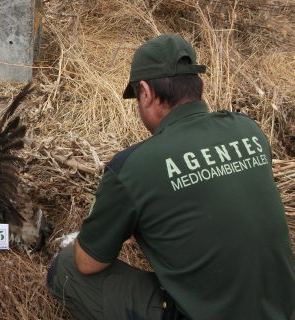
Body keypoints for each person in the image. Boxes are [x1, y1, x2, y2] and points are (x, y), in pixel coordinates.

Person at [46, 34, 295, 319]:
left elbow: (88, 263)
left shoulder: (132, 166)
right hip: (281, 307)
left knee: (66, 267)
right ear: (198, 84)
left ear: (146, 92)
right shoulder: (249, 130)